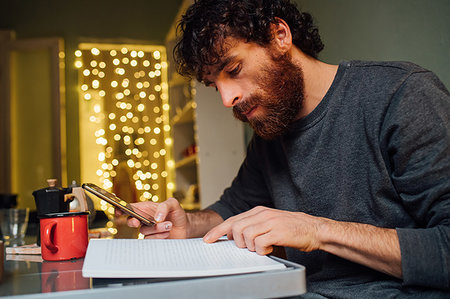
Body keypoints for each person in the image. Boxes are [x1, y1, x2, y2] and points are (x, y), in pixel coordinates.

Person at [120, 0, 450, 297]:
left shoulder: (401, 95)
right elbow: (232, 207)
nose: (226, 99)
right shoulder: (271, 131)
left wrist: (317, 230)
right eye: (214, 84)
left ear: (280, 35)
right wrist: (187, 224)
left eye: (233, 70)